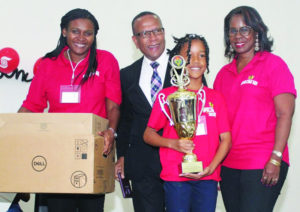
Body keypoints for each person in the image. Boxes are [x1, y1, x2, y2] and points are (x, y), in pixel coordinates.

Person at [18, 8, 121, 212]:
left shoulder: (106, 60)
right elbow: (31, 106)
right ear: (64, 31)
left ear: (94, 36)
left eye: (88, 33)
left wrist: (112, 131)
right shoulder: (48, 65)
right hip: (57, 153)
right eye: (75, 31)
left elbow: (114, 105)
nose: (81, 38)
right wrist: (8, 132)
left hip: (94, 150)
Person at [213, 6, 297, 212]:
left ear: (257, 32)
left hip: (263, 161)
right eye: (232, 31)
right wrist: (215, 168)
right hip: (229, 165)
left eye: (245, 29)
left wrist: (276, 158)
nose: (238, 36)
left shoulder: (273, 65)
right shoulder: (223, 74)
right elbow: (218, 125)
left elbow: (285, 114)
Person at [144, 34, 231, 212]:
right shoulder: (166, 96)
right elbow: (148, 134)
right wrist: (173, 143)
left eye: (202, 55)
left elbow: (226, 139)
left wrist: (211, 168)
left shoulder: (216, 97)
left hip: (207, 178)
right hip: (175, 177)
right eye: (189, 55)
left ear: (207, 61)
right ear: (179, 60)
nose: (196, 61)